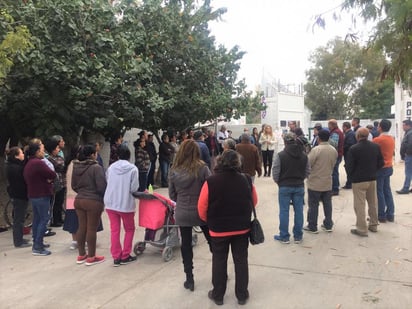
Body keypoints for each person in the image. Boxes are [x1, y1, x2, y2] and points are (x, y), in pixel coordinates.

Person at [198, 150, 257, 306]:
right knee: (241, 260)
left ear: (220, 162)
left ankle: (218, 295)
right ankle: (242, 295)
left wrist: (209, 221)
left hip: (218, 229)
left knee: (219, 260)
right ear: (238, 163)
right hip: (242, 228)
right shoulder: (246, 180)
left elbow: (202, 207)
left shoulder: (210, 181)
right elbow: (254, 201)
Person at [168, 140, 212, 292]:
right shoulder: (202, 168)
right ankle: (220, 272)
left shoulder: (174, 170)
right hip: (201, 211)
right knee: (212, 242)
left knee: (186, 245)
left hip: (182, 212)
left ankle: (189, 279)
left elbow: (172, 195)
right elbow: (210, 190)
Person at [72, 144, 107, 265]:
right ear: (92, 155)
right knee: (92, 228)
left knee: (82, 227)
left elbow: (74, 185)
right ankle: (91, 257)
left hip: (79, 199)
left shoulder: (76, 167)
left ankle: (81, 254)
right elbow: (102, 186)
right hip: (93, 200)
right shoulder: (96, 168)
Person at [104, 144, 139, 266]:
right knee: (129, 229)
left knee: (115, 230)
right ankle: (125, 255)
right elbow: (134, 188)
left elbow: (108, 181)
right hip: (126, 204)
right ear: (129, 156)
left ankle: (116, 256)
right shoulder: (133, 169)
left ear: (118, 155)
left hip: (110, 203)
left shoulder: (111, 168)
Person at [272, 132, 310, 244]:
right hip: (299, 186)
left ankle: (284, 236)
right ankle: (298, 236)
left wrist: (279, 182)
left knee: (284, 211)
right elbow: (308, 171)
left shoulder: (280, 155)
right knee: (299, 211)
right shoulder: (304, 155)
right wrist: (301, 179)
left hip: (284, 186)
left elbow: (275, 171)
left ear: (284, 142)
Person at [346, 128, 384, 237]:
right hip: (372, 178)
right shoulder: (375, 146)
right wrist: (374, 170)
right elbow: (381, 162)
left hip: (358, 180)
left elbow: (349, 166)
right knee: (373, 203)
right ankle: (373, 225)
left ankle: (362, 229)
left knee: (359, 205)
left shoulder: (353, 149)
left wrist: (351, 176)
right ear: (368, 135)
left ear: (357, 136)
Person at [23, 141, 57, 256]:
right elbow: (52, 174)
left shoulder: (29, 163)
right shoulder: (38, 163)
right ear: (37, 152)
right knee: (44, 219)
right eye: (42, 150)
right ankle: (38, 246)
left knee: (37, 219)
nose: (44, 153)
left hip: (34, 195)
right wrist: (49, 179)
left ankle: (37, 242)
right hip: (41, 194)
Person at [303, 130, 337, 233]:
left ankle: (312, 226)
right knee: (327, 204)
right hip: (327, 181)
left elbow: (308, 163)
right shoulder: (333, 150)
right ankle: (328, 225)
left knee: (313, 205)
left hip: (315, 182)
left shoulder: (316, 150)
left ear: (319, 138)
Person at [5, 147, 30, 248]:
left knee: (20, 218)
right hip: (19, 195)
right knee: (18, 219)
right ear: (16, 156)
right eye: (21, 153)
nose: (23, 155)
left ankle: (20, 237)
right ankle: (18, 241)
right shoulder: (14, 168)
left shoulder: (13, 165)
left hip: (18, 194)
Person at [373, 119, 396, 222]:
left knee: (379, 191)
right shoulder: (391, 138)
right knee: (387, 190)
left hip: (380, 168)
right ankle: (390, 214)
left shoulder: (377, 140)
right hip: (389, 166)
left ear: (380, 127)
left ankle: (381, 214)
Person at [44, 138, 65, 227]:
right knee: (54, 203)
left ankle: (59, 218)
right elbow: (59, 166)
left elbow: (62, 164)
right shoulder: (48, 158)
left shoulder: (58, 157)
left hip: (61, 182)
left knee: (60, 202)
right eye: (57, 148)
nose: (58, 150)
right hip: (55, 184)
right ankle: (54, 220)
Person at [328, 119, 344, 195]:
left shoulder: (336, 133)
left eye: (329, 125)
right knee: (334, 172)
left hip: (335, 155)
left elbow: (333, 144)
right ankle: (335, 187)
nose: (328, 126)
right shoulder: (336, 132)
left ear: (332, 125)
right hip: (338, 154)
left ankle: (335, 189)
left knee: (334, 172)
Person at [396, 119, 412, 194]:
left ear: (408, 125)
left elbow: (410, 145)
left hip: (410, 156)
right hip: (409, 155)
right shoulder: (408, 133)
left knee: (408, 172)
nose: (402, 127)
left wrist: (406, 153)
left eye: (403, 125)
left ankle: (406, 188)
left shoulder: (410, 133)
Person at [342, 121, 357, 189]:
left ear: (345, 127)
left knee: (349, 168)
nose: (342, 128)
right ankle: (350, 182)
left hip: (349, 154)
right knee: (348, 168)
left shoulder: (350, 134)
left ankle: (349, 184)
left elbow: (350, 144)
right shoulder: (349, 133)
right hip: (349, 154)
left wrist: (343, 147)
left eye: (343, 127)